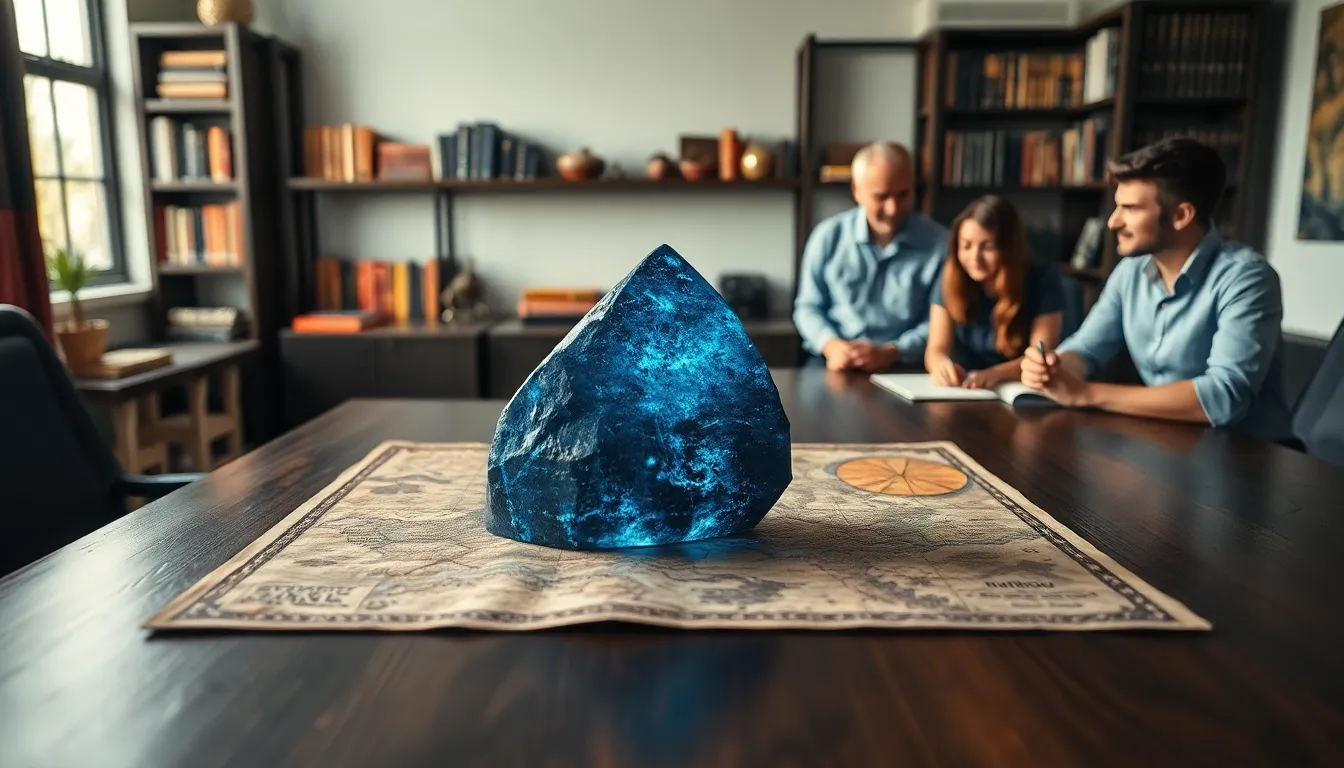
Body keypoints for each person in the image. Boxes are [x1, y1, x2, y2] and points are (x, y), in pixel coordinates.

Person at [1021, 136, 1293, 443]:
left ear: (1180, 216)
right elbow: (1086, 349)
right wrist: (1052, 368)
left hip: (1251, 459)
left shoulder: (1248, 278)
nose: (1113, 222)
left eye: (1131, 208)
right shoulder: (1130, 272)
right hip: (1171, 445)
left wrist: (1086, 393)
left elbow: (1223, 396)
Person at [793, 141, 948, 373]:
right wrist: (832, 345)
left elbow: (940, 322)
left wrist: (893, 351)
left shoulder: (940, 243)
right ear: (856, 191)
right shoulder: (827, 237)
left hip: (905, 365)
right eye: (881, 197)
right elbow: (807, 307)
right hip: (833, 362)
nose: (893, 208)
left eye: (903, 194)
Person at [925, 195, 1064, 389]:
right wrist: (942, 367)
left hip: (1017, 388)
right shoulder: (951, 276)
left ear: (1008, 248)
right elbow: (936, 349)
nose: (974, 257)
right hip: (965, 390)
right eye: (966, 245)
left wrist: (995, 375)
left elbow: (1038, 359)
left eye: (987, 247)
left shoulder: (1042, 279)